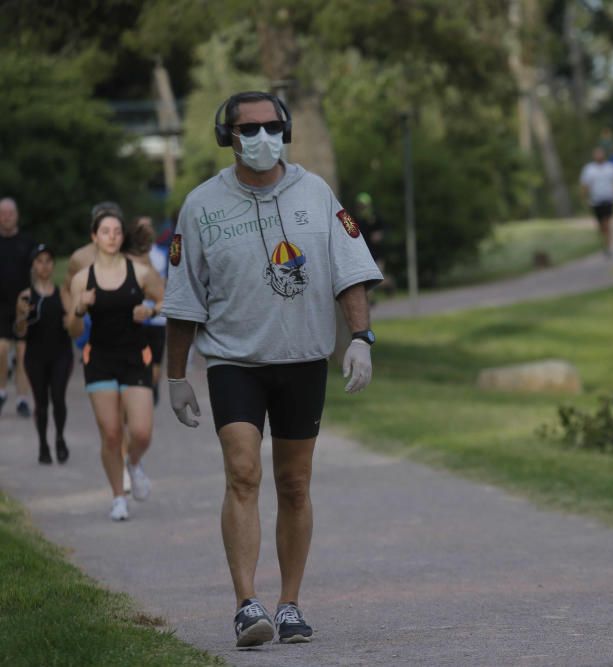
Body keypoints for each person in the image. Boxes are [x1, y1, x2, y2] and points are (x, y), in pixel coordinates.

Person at [163, 91, 382, 648]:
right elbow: (184, 296)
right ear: (227, 137)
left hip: (303, 359)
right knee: (243, 472)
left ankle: (289, 604)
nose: (261, 137)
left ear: (285, 129)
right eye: (248, 128)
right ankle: (246, 605)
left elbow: (350, 270)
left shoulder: (316, 192)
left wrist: (360, 338)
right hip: (234, 359)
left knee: (294, 483)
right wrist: (175, 374)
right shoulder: (202, 205)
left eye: (271, 126)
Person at [68, 210, 162, 521]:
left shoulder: (140, 273)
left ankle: (133, 463)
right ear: (94, 236)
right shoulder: (83, 278)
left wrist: (148, 312)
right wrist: (79, 309)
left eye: (116, 231)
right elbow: (73, 330)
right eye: (105, 231)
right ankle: (118, 497)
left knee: (142, 432)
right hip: (100, 360)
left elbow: (167, 300)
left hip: (135, 357)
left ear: (122, 237)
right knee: (110, 433)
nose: (111, 236)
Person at [14, 244, 74, 464]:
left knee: (58, 398)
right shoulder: (25, 297)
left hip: (61, 354)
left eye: (48, 260)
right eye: (39, 261)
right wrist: (22, 316)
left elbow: (73, 325)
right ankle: (43, 444)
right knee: (41, 402)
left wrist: (72, 321)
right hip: (35, 357)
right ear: (33, 265)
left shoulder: (62, 293)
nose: (44, 266)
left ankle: (59, 438)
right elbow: (20, 332)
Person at [0, 197, 35, 418]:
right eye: (2, 214)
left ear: (17, 215)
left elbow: (39, 274)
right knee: (1, 350)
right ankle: (1, 391)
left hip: (23, 307)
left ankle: (22, 398)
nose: (6, 217)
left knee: (23, 354)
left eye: (9, 213)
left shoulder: (28, 243)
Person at [129, 216, 169, 404]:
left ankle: (152, 386)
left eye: (148, 227)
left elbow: (168, 283)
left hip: (157, 318)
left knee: (156, 361)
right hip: (135, 318)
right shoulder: (127, 255)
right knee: (138, 358)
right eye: (141, 228)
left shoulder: (162, 253)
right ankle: (142, 387)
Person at [579, 146, 613, 256]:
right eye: (597, 154)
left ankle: (608, 245)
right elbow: (585, 185)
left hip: (609, 198)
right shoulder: (589, 169)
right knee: (600, 224)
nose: (599, 156)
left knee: (607, 222)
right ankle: (605, 241)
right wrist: (584, 198)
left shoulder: (611, 167)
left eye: (600, 154)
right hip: (595, 200)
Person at [355, 192, 394, 297]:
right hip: (364, 254)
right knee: (366, 278)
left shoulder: (376, 217)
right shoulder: (357, 219)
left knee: (378, 278)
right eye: (359, 205)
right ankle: (370, 299)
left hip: (377, 253)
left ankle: (389, 284)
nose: (361, 208)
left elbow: (386, 229)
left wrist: (380, 234)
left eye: (363, 205)